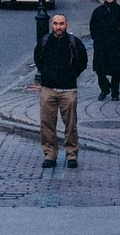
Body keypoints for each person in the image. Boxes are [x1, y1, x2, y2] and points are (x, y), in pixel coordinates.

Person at [33, 13, 88, 169]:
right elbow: (38, 59)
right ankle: (50, 154)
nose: (58, 27)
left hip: (68, 90)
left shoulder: (73, 42)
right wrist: (47, 75)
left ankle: (71, 154)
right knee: (47, 123)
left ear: (66, 25)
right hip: (48, 89)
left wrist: (71, 75)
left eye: (61, 24)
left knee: (70, 124)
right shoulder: (44, 41)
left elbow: (82, 62)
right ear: (52, 24)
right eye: (56, 24)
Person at [88, 0, 120, 101]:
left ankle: (115, 93)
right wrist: (96, 38)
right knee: (99, 69)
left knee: (116, 70)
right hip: (100, 45)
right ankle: (105, 88)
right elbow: (92, 26)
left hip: (115, 45)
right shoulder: (97, 11)